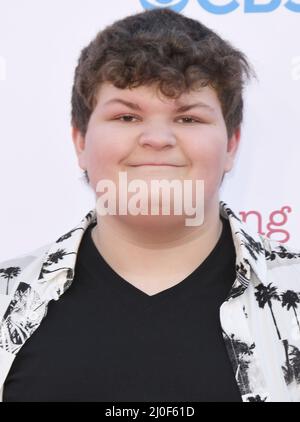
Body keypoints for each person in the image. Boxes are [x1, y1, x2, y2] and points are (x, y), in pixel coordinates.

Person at [0, 8, 300, 403]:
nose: (157, 138)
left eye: (189, 119)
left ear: (231, 145)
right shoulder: (7, 299)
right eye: (127, 116)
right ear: (80, 142)